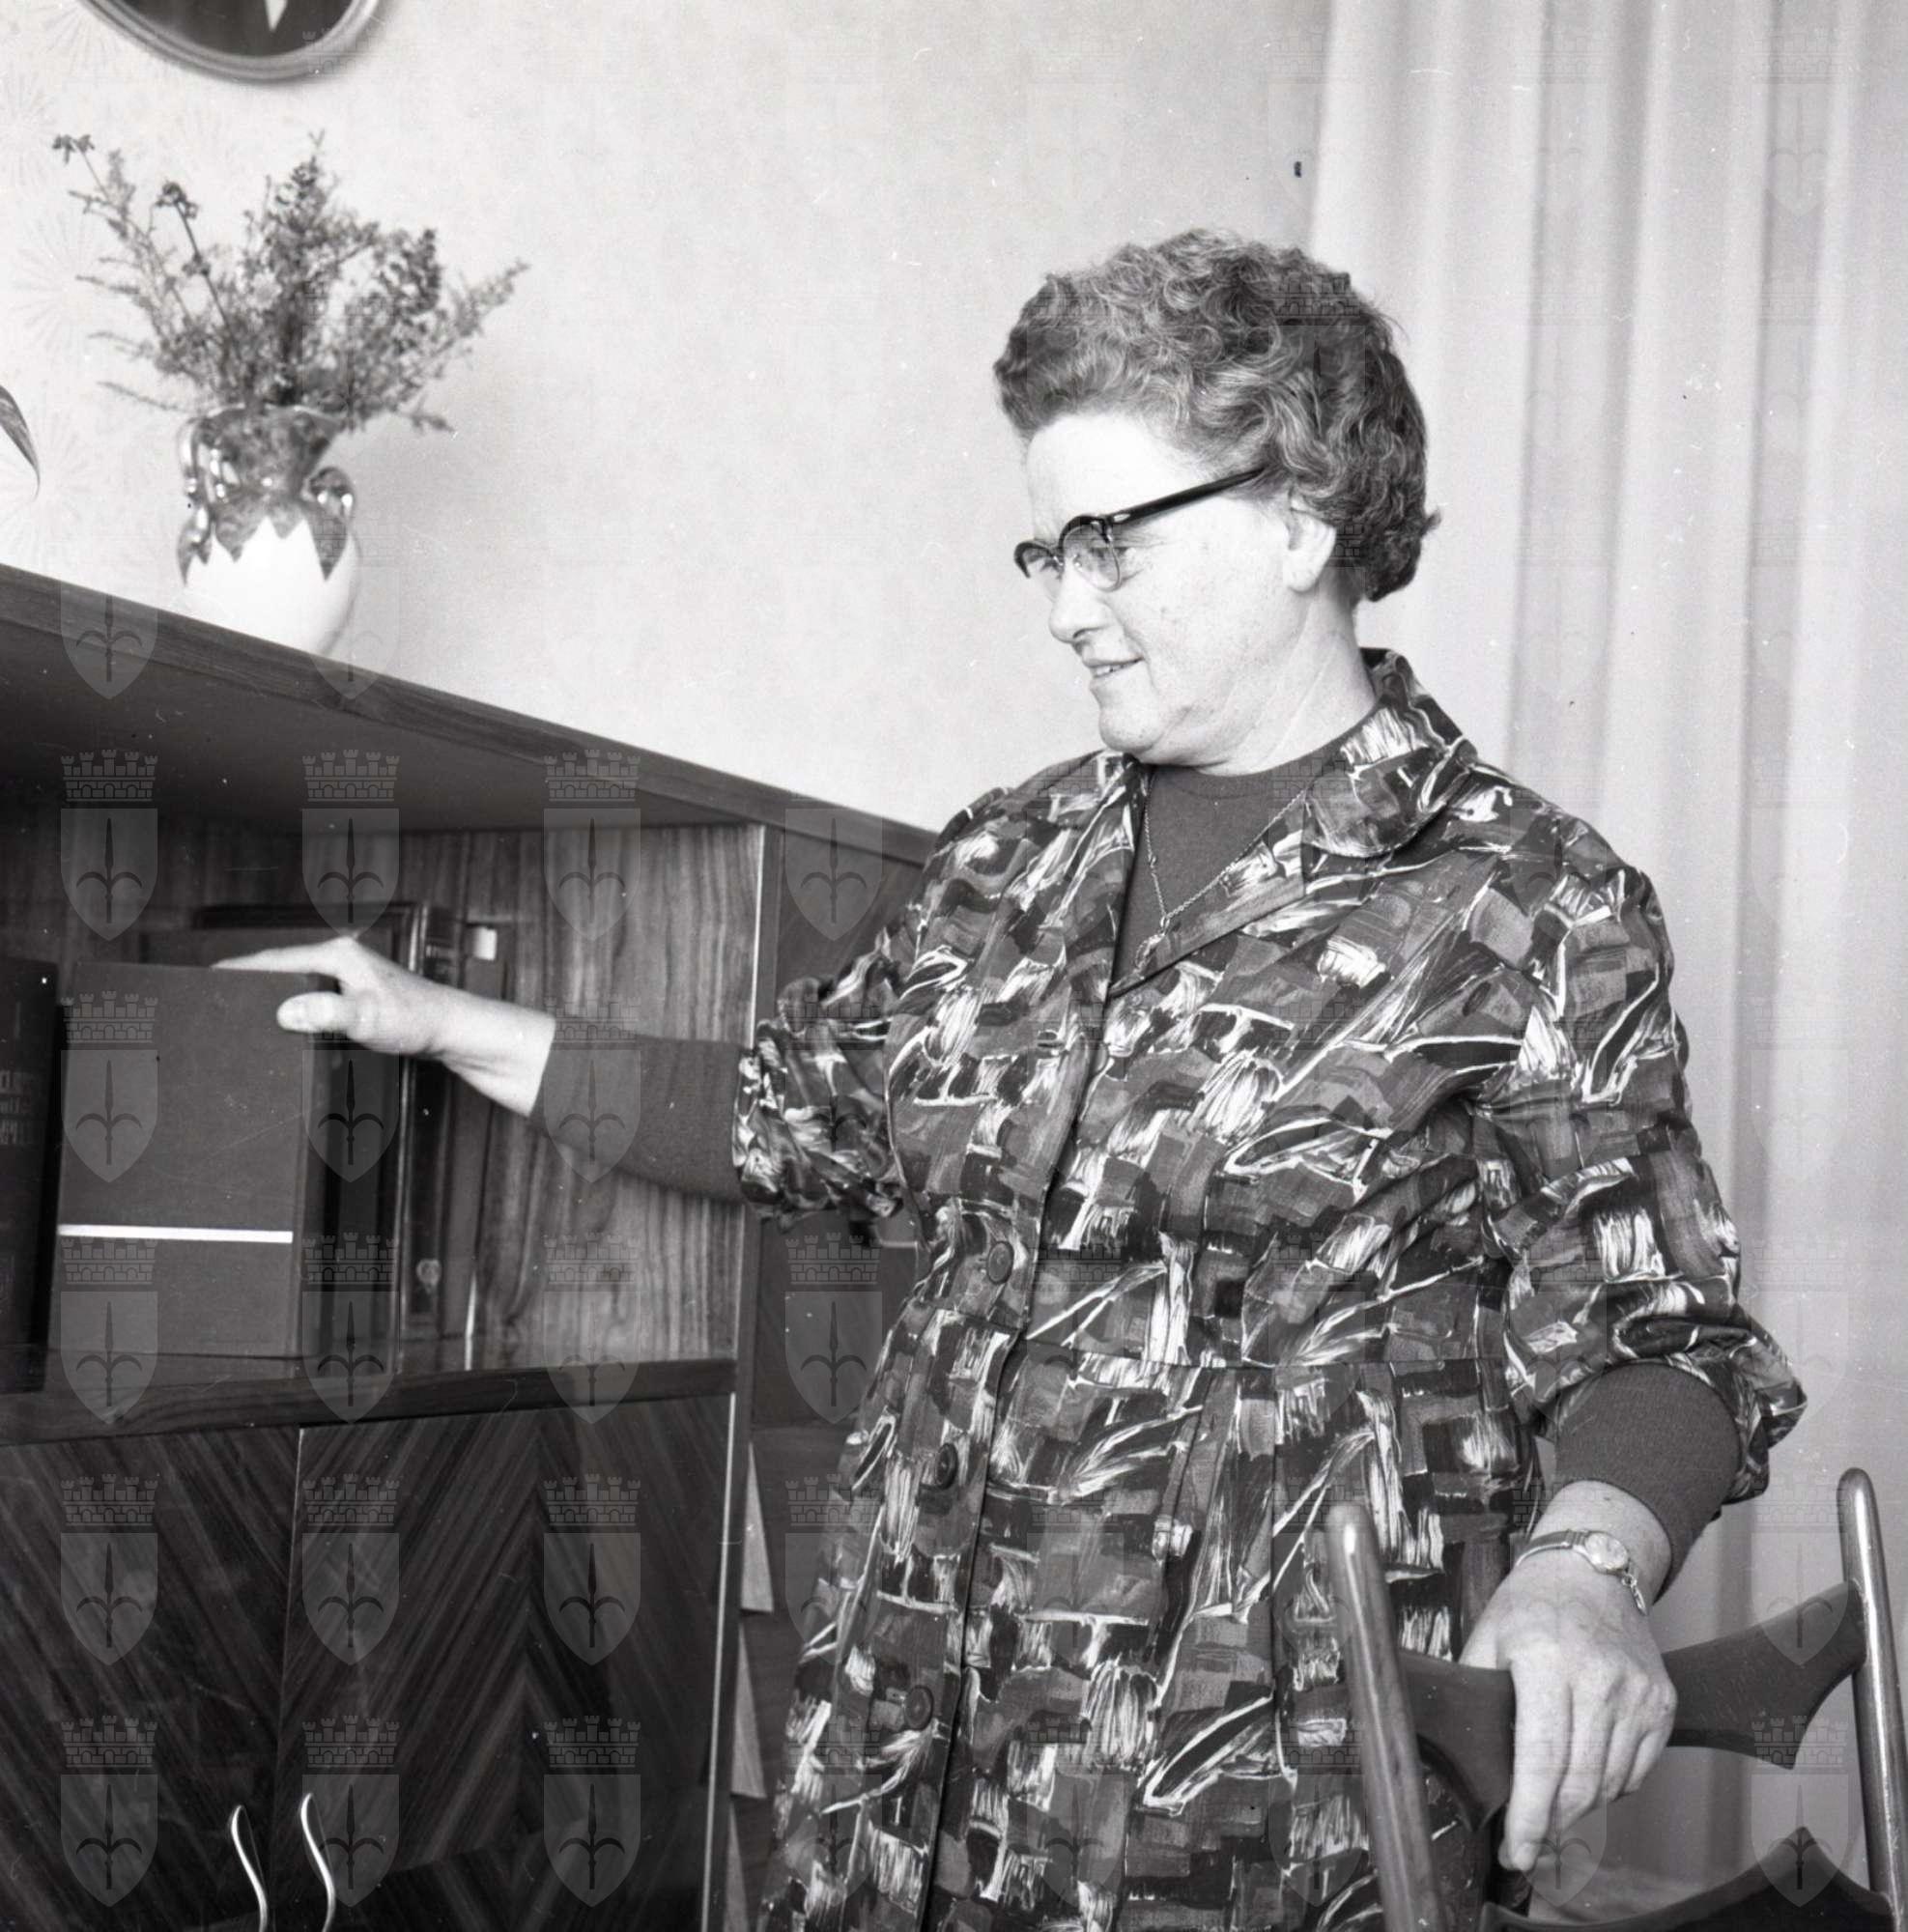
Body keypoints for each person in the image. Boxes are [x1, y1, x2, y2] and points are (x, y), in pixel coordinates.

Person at [221, 231, 1808, 1928]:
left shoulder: (1527, 902)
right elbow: (789, 1115)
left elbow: (1665, 1341)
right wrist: (433, 1020)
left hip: (1261, 1831)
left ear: (1301, 517)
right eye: (1049, 549)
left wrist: (1587, 1567)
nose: (1065, 606)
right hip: (899, 1789)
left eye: (1112, 540)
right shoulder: (1009, 860)